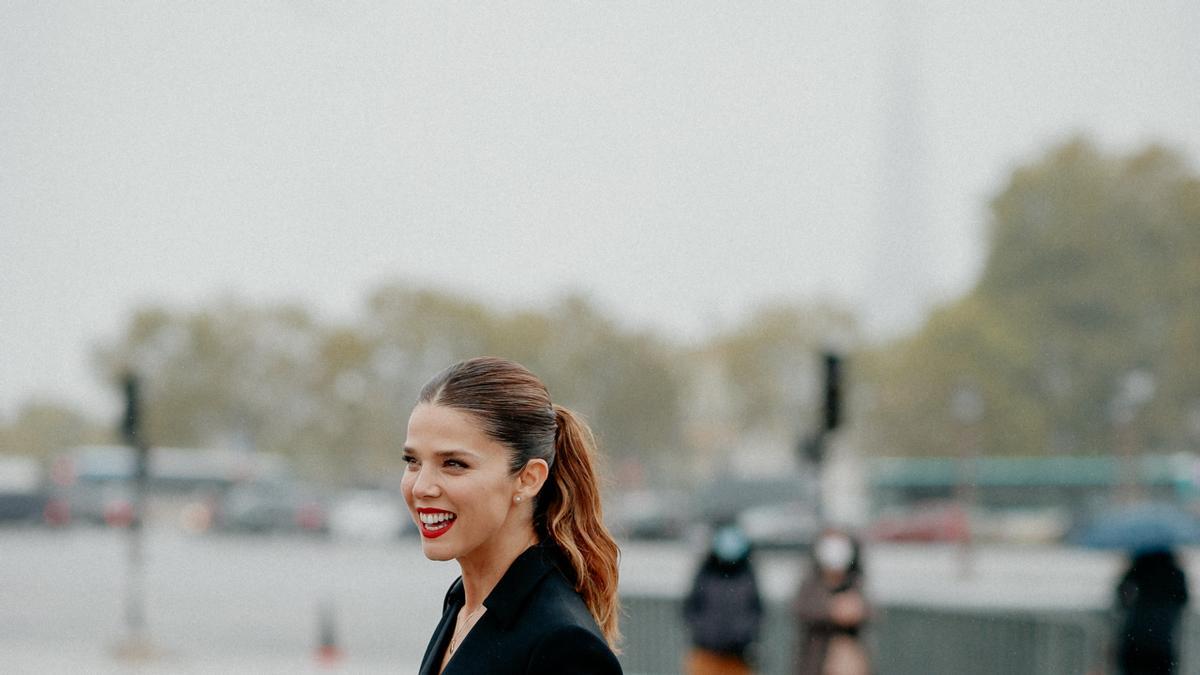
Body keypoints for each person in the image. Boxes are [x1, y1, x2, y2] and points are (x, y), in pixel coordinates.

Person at [404, 357, 623, 675]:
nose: (421, 487)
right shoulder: (463, 603)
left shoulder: (564, 644)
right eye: (412, 461)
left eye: (454, 463)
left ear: (529, 478)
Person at [682, 522, 764, 675]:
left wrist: (742, 636)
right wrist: (706, 633)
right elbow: (691, 608)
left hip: (738, 658)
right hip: (706, 654)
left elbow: (756, 612)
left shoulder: (748, 575)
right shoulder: (705, 572)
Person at [794, 528, 871, 675]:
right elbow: (801, 608)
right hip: (815, 662)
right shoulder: (811, 582)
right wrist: (831, 610)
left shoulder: (855, 582)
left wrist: (855, 610)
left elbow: (869, 610)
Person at [1113, 547, 1189, 675]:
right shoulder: (1175, 572)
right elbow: (1183, 599)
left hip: (1135, 636)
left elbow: (1122, 597)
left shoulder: (1138, 568)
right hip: (1163, 639)